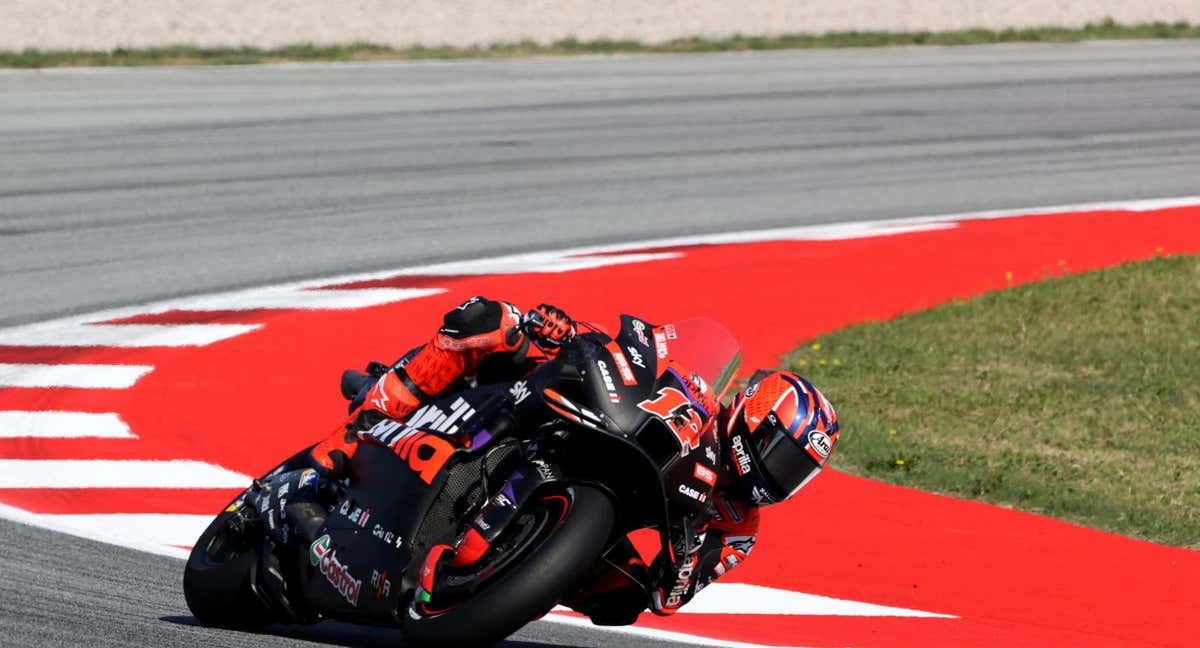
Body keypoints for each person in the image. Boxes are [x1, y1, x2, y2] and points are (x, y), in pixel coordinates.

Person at [304, 296, 841, 623]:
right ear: (753, 417)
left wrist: (692, 534)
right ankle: (357, 428)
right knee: (494, 318)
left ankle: (502, 583)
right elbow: (643, 348)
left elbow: (669, 597)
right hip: (589, 426)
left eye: (796, 471)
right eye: (780, 454)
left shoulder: (739, 528)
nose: (778, 474)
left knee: (621, 602)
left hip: (604, 521)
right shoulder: (699, 392)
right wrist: (564, 332)